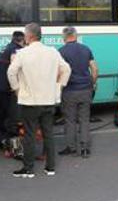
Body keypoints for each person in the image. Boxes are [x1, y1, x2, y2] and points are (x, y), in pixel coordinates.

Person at [8, 23, 71, 177]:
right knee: (48, 133)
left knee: (29, 135)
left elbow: (11, 72)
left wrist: (17, 90)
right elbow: (67, 69)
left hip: (29, 101)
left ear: (29, 36)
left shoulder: (22, 53)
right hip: (48, 100)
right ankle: (50, 167)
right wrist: (59, 87)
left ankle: (28, 168)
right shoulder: (52, 52)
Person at [58, 26, 98, 158]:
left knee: (70, 120)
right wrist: (92, 82)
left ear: (64, 38)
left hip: (69, 91)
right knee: (84, 119)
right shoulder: (86, 49)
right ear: (76, 36)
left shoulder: (61, 52)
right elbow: (94, 68)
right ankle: (85, 148)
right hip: (85, 89)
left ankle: (72, 147)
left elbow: (59, 73)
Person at [0, 31, 25, 143]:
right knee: (10, 113)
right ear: (21, 40)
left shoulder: (7, 47)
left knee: (0, 113)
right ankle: (9, 140)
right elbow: (14, 69)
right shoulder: (16, 49)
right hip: (3, 86)